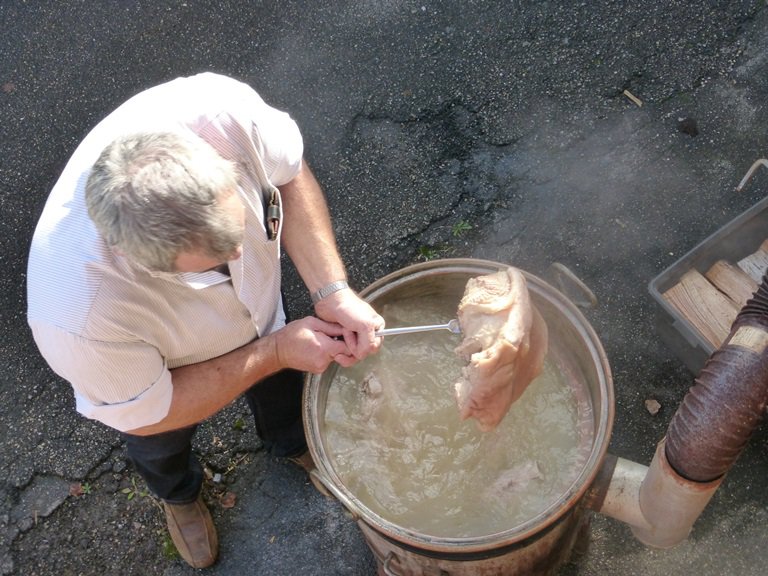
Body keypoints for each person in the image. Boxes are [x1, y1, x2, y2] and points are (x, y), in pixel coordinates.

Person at [26, 72, 384, 569]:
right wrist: (276, 350)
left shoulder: (225, 116)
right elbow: (153, 409)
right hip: (158, 375)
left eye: (237, 226)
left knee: (283, 382)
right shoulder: (79, 314)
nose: (242, 251)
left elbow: (288, 174)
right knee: (160, 446)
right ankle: (180, 497)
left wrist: (332, 291)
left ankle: (293, 443)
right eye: (214, 258)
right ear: (144, 263)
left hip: (260, 324)